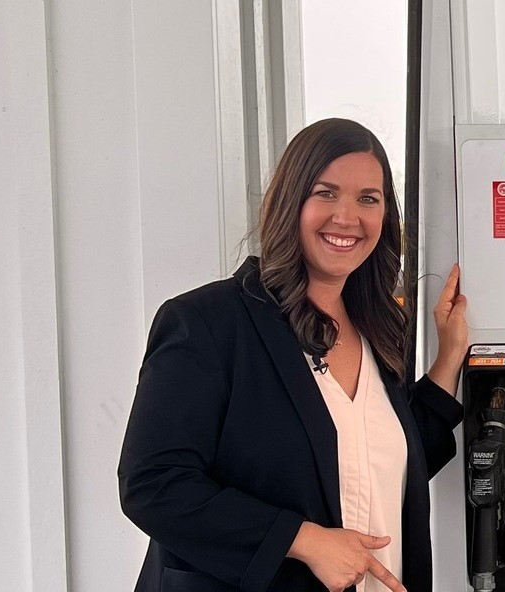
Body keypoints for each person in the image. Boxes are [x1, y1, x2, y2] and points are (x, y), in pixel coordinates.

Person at [119, 118, 470, 592]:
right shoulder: (207, 322)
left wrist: (448, 359)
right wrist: (304, 540)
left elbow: (370, 469)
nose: (347, 216)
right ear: (290, 201)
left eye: (369, 198)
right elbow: (153, 484)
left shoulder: (378, 332)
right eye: (325, 193)